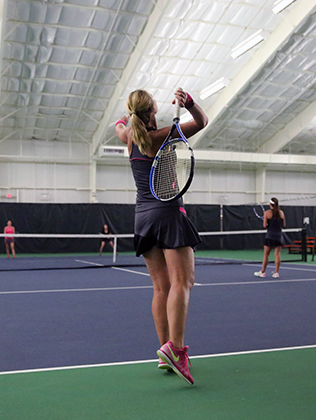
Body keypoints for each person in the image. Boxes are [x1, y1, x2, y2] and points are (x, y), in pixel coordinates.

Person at [115, 88, 207, 385]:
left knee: (160, 287)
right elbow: (202, 121)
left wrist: (128, 119)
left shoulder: (128, 136)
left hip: (142, 218)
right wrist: (189, 103)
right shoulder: (164, 135)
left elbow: (119, 125)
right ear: (153, 109)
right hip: (168, 213)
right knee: (183, 282)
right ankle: (176, 350)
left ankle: (164, 352)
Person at [254, 198, 286, 278]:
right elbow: (283, 224)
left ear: (270, 205)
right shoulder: (281, 213)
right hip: (278, 235)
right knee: (277, 254)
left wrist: (269, 224)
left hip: (270, 235)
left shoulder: (267, 213)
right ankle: (276, 273)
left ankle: (263, 272)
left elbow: (264, 225)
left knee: (266, 254)